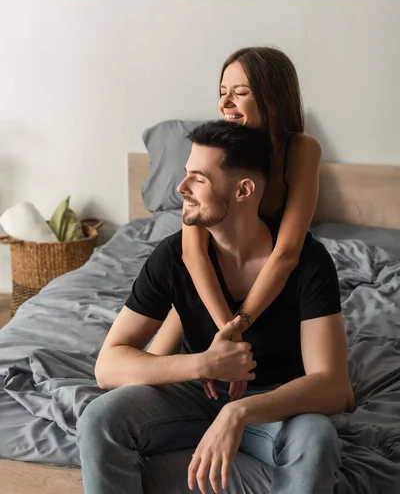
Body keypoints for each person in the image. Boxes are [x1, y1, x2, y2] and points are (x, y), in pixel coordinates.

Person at [78, 120, 351, 494]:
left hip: (274, 404)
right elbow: (108, 367)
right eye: (186, 174)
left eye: (198, 179)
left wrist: (238, 412)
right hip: (192, 393)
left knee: (317, 439)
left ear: (243, 190)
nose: (181, 188)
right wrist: (203, 364)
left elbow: (335, 387)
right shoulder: (173, 256)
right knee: (98, 418)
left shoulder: (308, 262)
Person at [148, 46, 324, 402]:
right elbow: (192, 252)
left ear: (272, 101)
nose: (226, 103)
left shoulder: (301, 150)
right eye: (222, 93)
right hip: (210, 272)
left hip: (265, 268)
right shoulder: (215, 147)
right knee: (150, 371)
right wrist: (228, 329)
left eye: (240, 93)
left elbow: (288, 251)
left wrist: (239, 322)